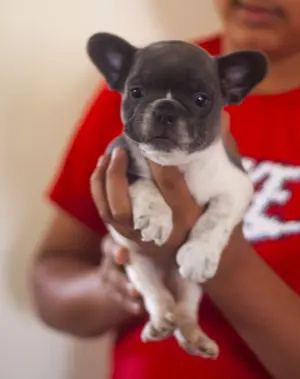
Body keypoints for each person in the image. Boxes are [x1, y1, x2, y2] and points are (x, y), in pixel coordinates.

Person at [31, 1, 300, 378]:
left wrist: (222, 258)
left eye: (201, 100)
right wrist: (113, 285)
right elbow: (51, 284)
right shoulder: (141, 82)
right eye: (139, 93)